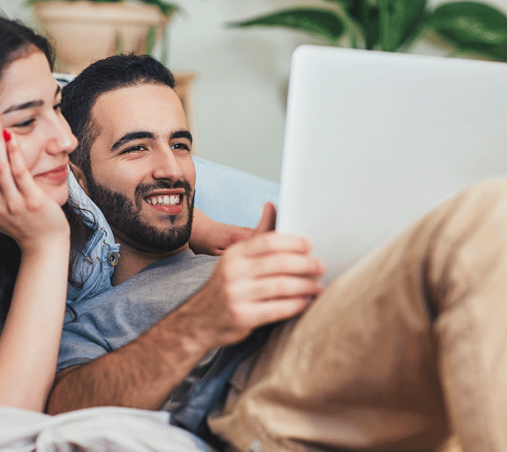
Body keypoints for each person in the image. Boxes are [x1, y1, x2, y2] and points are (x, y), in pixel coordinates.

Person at [47, 53, 507, 452]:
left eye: (180, 144)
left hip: (374, 348)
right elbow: (62, 407)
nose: (171, 169)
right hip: (268, 394)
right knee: (488, 212)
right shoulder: (87, 316)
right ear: (79, 177)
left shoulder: (226, 253)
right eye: (136, 148)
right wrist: (205, 317)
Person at [0, 2, 244, 421]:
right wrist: (44, 246)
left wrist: (207, 229)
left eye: (57, 107)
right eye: (28, 120)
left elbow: (155, 166)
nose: (64, 140)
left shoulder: (54, 169)